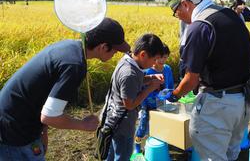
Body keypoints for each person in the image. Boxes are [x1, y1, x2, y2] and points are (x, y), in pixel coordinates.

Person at [0, 17, 130, 160]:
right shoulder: (75, 66)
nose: (115, 55)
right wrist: (83, 125)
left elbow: (42, 96)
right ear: (103, 47)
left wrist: (43, 131)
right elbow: (49, 116)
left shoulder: (70, 47)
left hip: (16, 121)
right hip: (14, 133)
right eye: (115, 51)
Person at [165, 0, 250, 161]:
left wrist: (174, 94)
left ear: (185, 3)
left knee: (212, 157)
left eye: (176, 12)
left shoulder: (200, 27)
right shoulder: (231, 15)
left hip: (218, 105)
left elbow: (191, 80)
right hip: (245, 101)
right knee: (230, 153)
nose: (179, 17)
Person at [99, 33, 165, 161]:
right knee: (122, 156)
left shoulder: (128, 60)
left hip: (112, 118)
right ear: (143, 54)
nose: (154, 64)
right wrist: (150, 88)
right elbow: (129, 104)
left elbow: (135, 82)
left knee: (111, 155)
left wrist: (150, 78)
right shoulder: (129, 73)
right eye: (154, 59)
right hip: (122, 125)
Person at [134, 43, 174, 153]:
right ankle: (137, 144)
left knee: (161, 122)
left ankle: (158, 142)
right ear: (155, 57)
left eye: (165, 57)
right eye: (160, 57)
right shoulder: (147, 72)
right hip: (146, 103)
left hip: (161, 101)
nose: (162, 60)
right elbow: (141, 90)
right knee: (143, 124)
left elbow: (170, 86)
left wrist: (171, 95)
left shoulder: (167, 69)